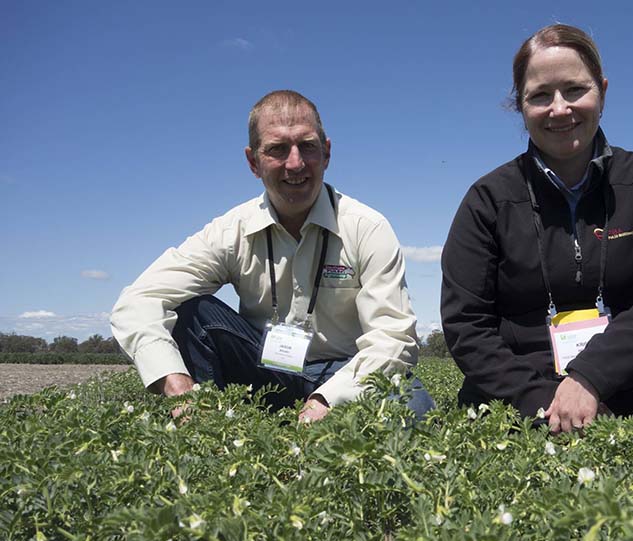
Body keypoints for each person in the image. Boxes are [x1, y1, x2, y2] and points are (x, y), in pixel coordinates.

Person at [440, 25, 633, 433]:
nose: (559, 109)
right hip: (526, 382)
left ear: (601, 91)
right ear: (520, 104)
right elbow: (466, 323)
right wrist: (543, 401)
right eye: (540, 95)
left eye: (574, 90)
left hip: (627, 370)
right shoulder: (488, 198)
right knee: (485, 398)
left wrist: (591, 377)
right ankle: (569, 427)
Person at [111, 90, 433, 422]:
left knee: (412, 404)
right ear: (253, 162)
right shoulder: (231, 230)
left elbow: (394, 335)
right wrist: (175, 381)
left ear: (327, 152)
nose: (295, 163)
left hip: (346, 370)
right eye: (277, 149)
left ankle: (314, 423)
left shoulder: (367, 227)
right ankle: (206, 424)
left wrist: (328, 398)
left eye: (307, 146)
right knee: (193, 313)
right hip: (261, 367)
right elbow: (137, 301)